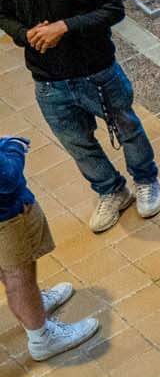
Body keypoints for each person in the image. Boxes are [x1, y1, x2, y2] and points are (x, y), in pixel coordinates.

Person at [0, 0, 160, 232]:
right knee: (77, 143)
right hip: (49, 81)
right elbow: (3, 15)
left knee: (127, 128)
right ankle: (111, 191)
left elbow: (113, 9)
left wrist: (65, 27)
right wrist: (23, 34)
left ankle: (146, 180)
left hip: (97, 69)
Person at [0, 134, 100, 361]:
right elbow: (6, 178)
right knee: (19, 278)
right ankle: (42, 338)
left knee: (7, 269)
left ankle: (32, 306)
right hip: (6, 219)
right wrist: (13, 147)